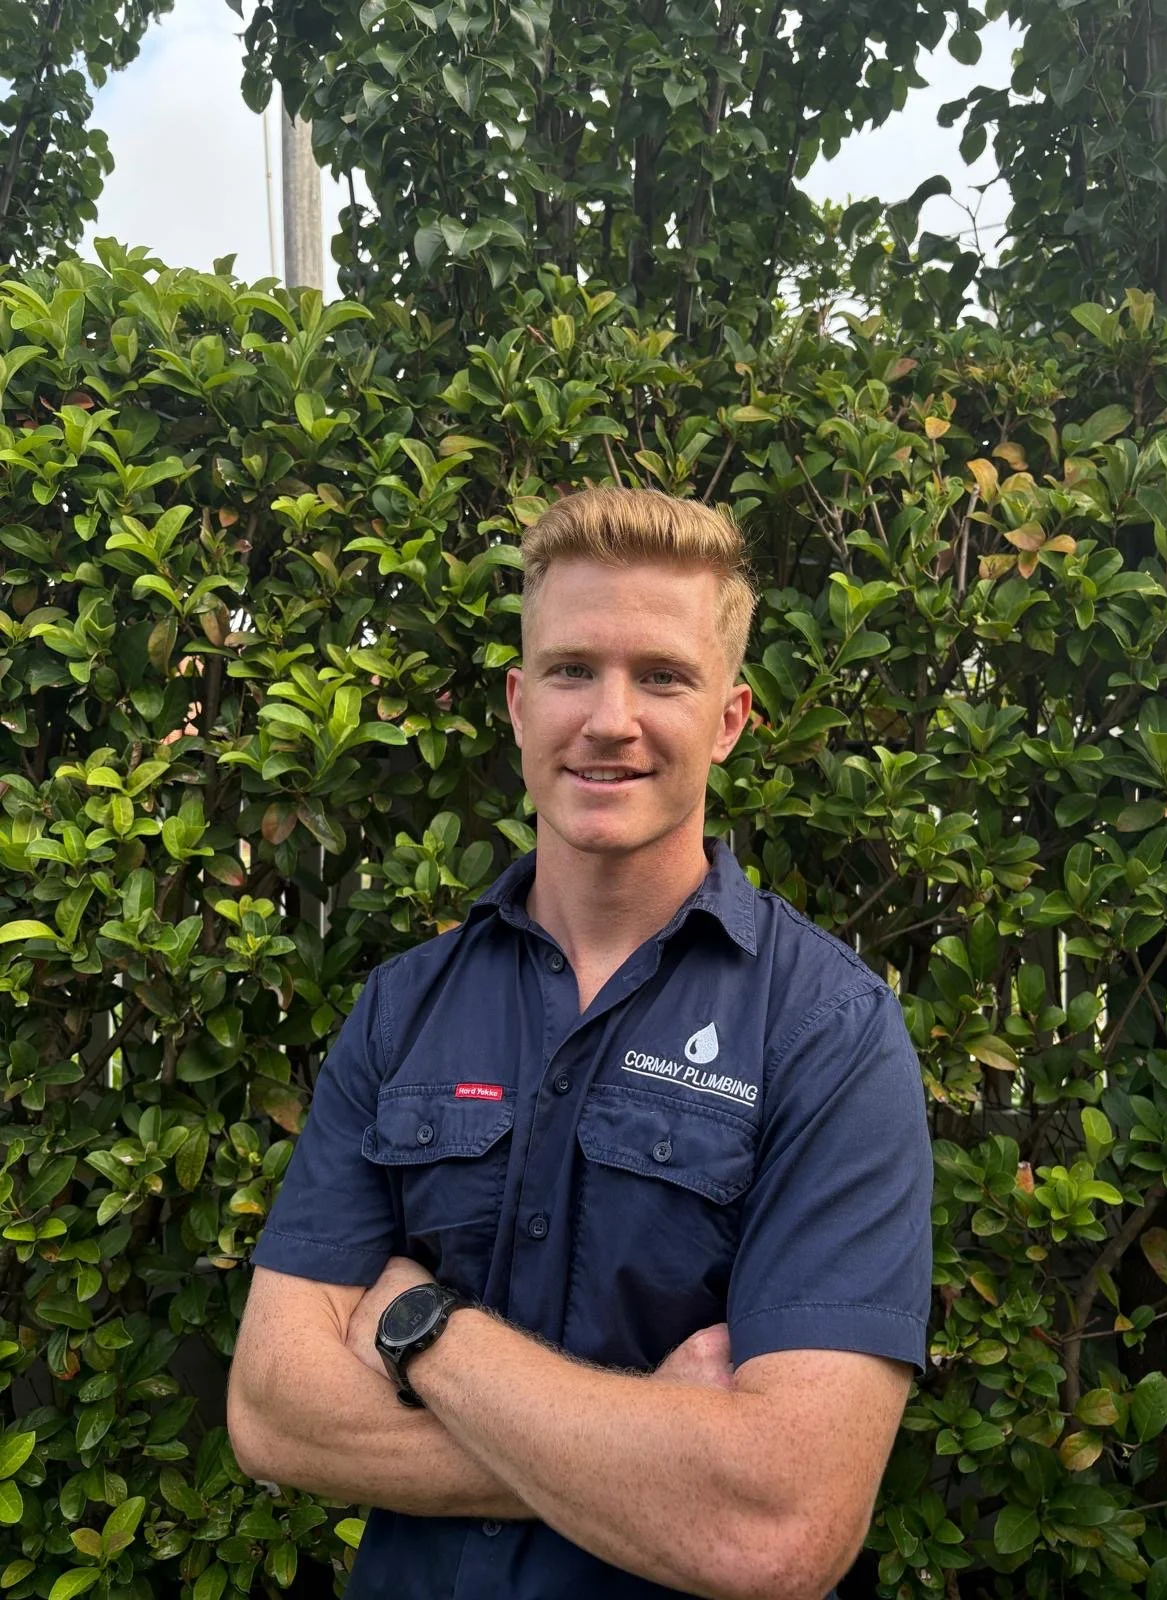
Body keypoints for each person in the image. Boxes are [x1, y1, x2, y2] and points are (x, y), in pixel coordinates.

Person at [227, 487, 932, 1600]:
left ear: (730, 719)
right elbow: (273, 1409)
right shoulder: (404, 1007)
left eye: (662, 677)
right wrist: (657, 1450)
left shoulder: (827, 1033)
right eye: (571, 670)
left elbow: (779, 1524)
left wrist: (421, 1327)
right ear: (518, 705)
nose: (610, 718)